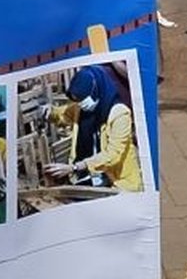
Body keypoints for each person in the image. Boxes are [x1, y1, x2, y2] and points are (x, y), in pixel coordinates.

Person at [43, 63, 143, 191]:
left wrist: (75, 167)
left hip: (116, 181)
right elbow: (63, 115)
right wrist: (49, 113)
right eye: (77, 100)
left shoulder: (120, 114)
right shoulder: (80, 108)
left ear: (96, 91)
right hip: (86, 177)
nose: (81, 104)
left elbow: (113, 154)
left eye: (83, 100)